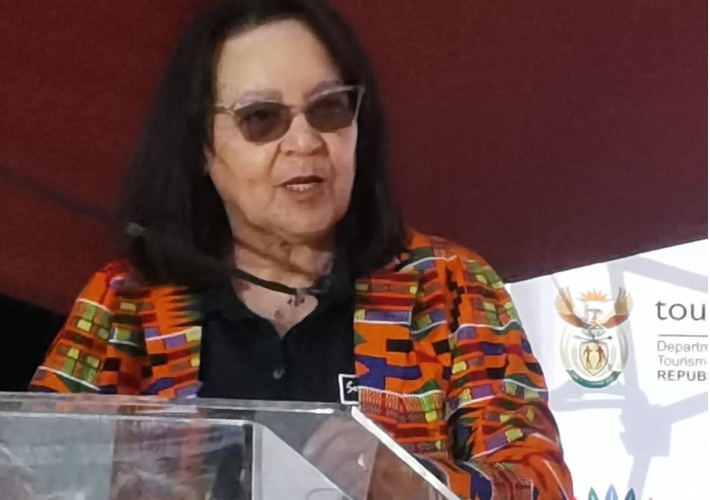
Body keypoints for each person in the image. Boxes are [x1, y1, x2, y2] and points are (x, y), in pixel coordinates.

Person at [30, 0, 573, 498]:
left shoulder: (449, 288)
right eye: (262, 118)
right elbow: (20, 468)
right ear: (201, 146)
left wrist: (415, 486)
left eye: (329, 109)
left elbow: (541, 485)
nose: (305, 142)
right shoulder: (126, 301)